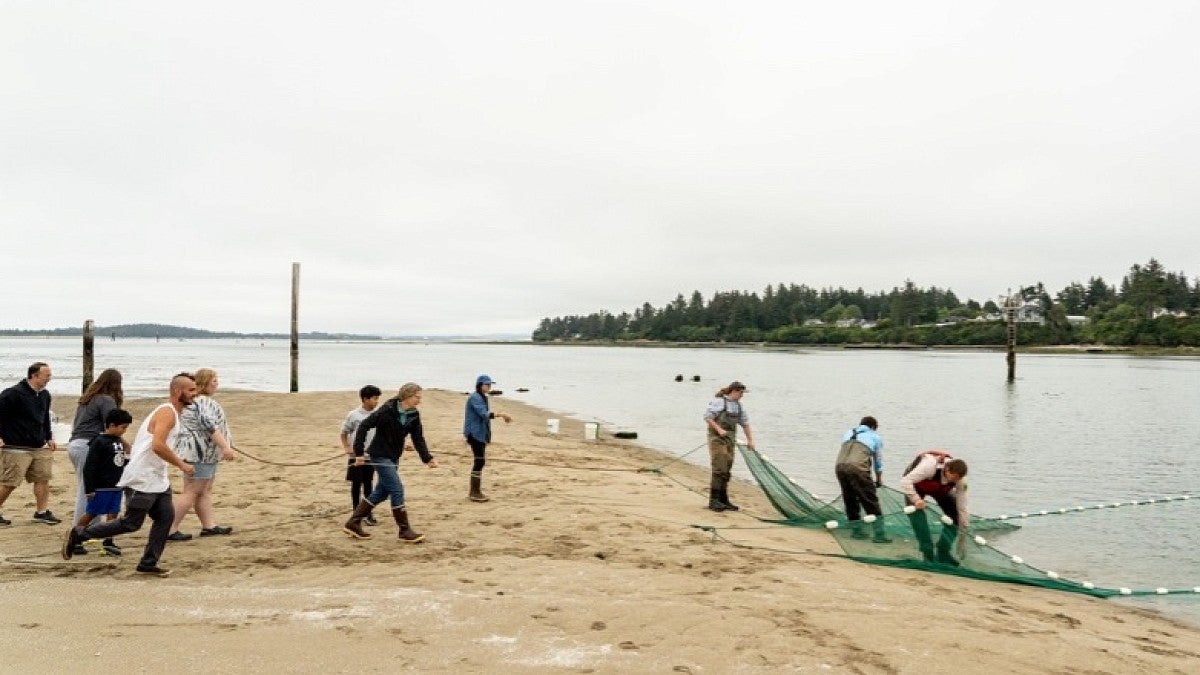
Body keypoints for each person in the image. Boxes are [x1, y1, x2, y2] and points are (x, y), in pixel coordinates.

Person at [62, 373, 197, 577]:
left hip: (158, 477)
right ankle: (80, 533)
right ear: (178, 392)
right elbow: (158, 445)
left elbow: (162, 446)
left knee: (165, 518)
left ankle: (148, 563)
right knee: (131, 523)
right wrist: (181, 465)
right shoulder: (167, 412)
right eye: (191, 390)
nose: (195, 394)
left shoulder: (174, 414)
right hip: (142, 476)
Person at [343, 382, 438, 542]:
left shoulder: (413, 414)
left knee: (382, 491)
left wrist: (427, 458)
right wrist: (358, 453)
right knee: (397, 489)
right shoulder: (387, 410)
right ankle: (404, 530)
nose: (419, 401)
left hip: (393, 456)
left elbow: (418, 438)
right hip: (379, 455)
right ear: (407, 396)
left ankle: (353, 522)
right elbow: (364, 426)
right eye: (417, 397)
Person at [167, 368, 236, 541]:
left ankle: (209, 525)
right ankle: (169, 528)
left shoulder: (199, 401)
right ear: (204, 383)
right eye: (214, 381)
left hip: (203, 453)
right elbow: (209, 426)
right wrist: (225, 447)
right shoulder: (203, 402)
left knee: (204, 490)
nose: (217, 384)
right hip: (199, 453)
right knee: (192, 491)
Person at [0, 362, 61, 526]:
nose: (49, 379)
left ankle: (41, 512)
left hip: (38, 445)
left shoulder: (45, 394)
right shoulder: (13, 393)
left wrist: (49, 437)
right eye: (46, 375)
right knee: (10, 482)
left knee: (42, 478)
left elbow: (45, 418)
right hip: (15, 446)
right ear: (34, 376)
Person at [67, 368, 125, 527]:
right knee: (87, 490)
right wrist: (125, 446)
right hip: (89, 445)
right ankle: (79, 530)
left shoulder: (87, 399)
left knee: (89, 486)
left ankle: (93, 527)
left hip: (75, 444)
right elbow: (112, 425)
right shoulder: (106, 400)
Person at [75, 408, 134, 556]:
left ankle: (108, 541)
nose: (124, 431)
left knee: (113, 513)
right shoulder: (99, 442)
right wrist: (89, 489)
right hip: (102, 486)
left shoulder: (118, 441)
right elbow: (90, 467)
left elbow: (118, 461)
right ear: (112, 425)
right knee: (92, 513)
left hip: (116, 485)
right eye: (123, 427)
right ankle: (76, 537)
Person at [899, 450, 969, 565]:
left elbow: (962, 507)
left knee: (956, 517)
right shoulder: (929, 467)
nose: (956, 481)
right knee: (919, 521)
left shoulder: (961, 481)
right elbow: (905, 481)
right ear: (947, 469)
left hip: (939, 489)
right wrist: (916, 499)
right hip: (915, 486)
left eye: (959, 479)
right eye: (954, 477)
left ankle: (943, 552)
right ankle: (928, 554)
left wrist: (963, 534)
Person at [834, 416, 891, 543]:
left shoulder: (849, 432)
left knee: (850, 499)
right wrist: (879, 478)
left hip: (839, 466)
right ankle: (879, 535)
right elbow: (878, 461)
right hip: (857, 469)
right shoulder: (875, 437)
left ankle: (856, 532)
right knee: (870, 500)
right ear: (873, 427)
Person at [703, 381, 755, 512]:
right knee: (719, 468)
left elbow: (745, 424)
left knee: (727, 469)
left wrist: (750, 440)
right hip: (716, 439)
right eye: (741, 393)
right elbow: (708, 417)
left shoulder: (739, 407)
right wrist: (719, 429)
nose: (742, 395)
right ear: (734, 391)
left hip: (730, 440)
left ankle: (724, 500)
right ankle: (714, 501)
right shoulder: (719, 402)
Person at [462, 374, 511, 503]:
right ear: (480, 385)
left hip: (480, 433)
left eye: (490, 385)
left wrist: (487, 437)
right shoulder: (475, 397)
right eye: (487, 385)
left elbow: (484, 418)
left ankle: (475, 491)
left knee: (480, 461)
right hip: (474, 433)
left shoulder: (482, 397)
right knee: (479, 461)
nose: (489, 387)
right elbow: (484, 414)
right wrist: (502, 414)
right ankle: (474, 492)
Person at [340, 385, 382, 524]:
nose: (377, 401)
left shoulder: (378, 414)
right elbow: (344, 432)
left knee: (368, 484)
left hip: (370, 455)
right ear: (365, 399)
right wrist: (347, 447)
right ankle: (356, 513)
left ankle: (367, 512)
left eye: (377, 398)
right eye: (374, 398)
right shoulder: (354, 415)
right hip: (356, 455)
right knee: (356, 484)